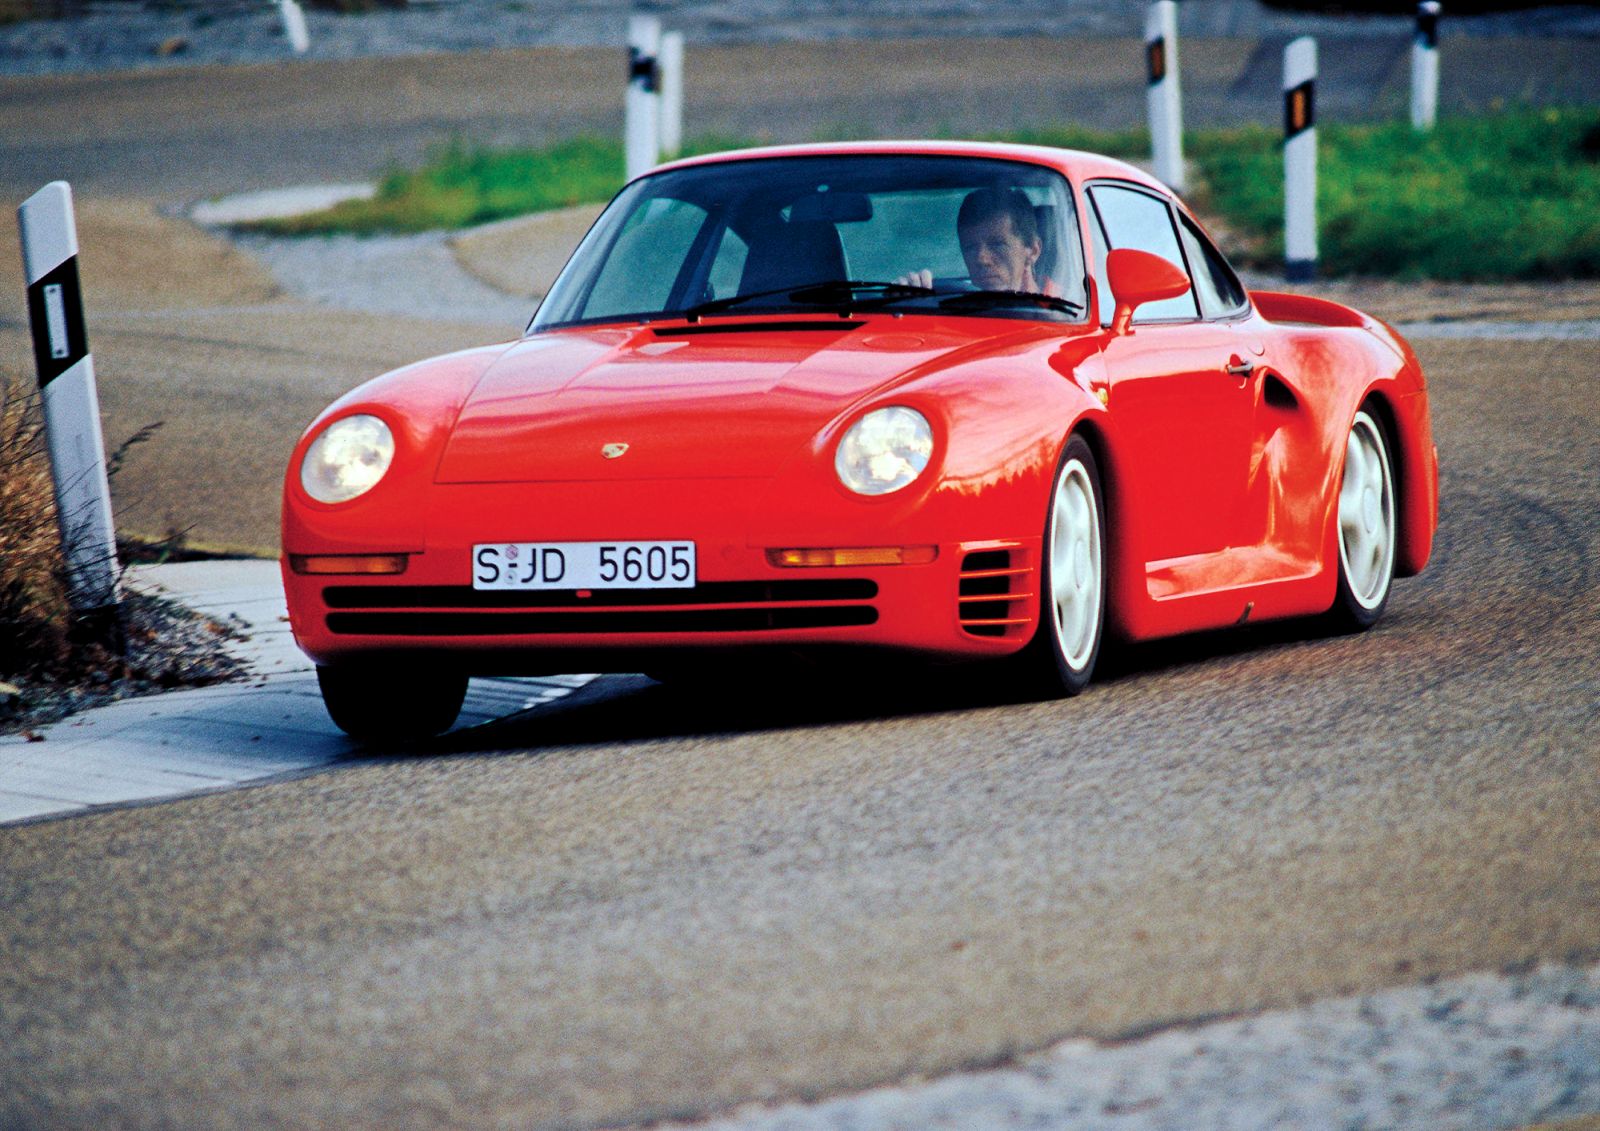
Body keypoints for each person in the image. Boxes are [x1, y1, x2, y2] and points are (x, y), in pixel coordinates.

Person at [898, 187, 1052, 294]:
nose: (981, 259)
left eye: (997, 245)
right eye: (970, 247)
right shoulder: (951, 308)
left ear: (1033, 250)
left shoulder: (1068, 309)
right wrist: (910, 300)